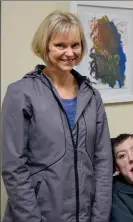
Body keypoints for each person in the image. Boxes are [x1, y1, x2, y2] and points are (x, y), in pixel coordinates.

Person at [2, 10, 113, 222]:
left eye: (75, 45)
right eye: (60, 45)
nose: (69, 53)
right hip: (38, 215)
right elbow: (14, 168)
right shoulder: (21, 93)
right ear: (45, 46)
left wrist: (99, 218)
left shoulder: (91, 96)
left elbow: (103, 163)